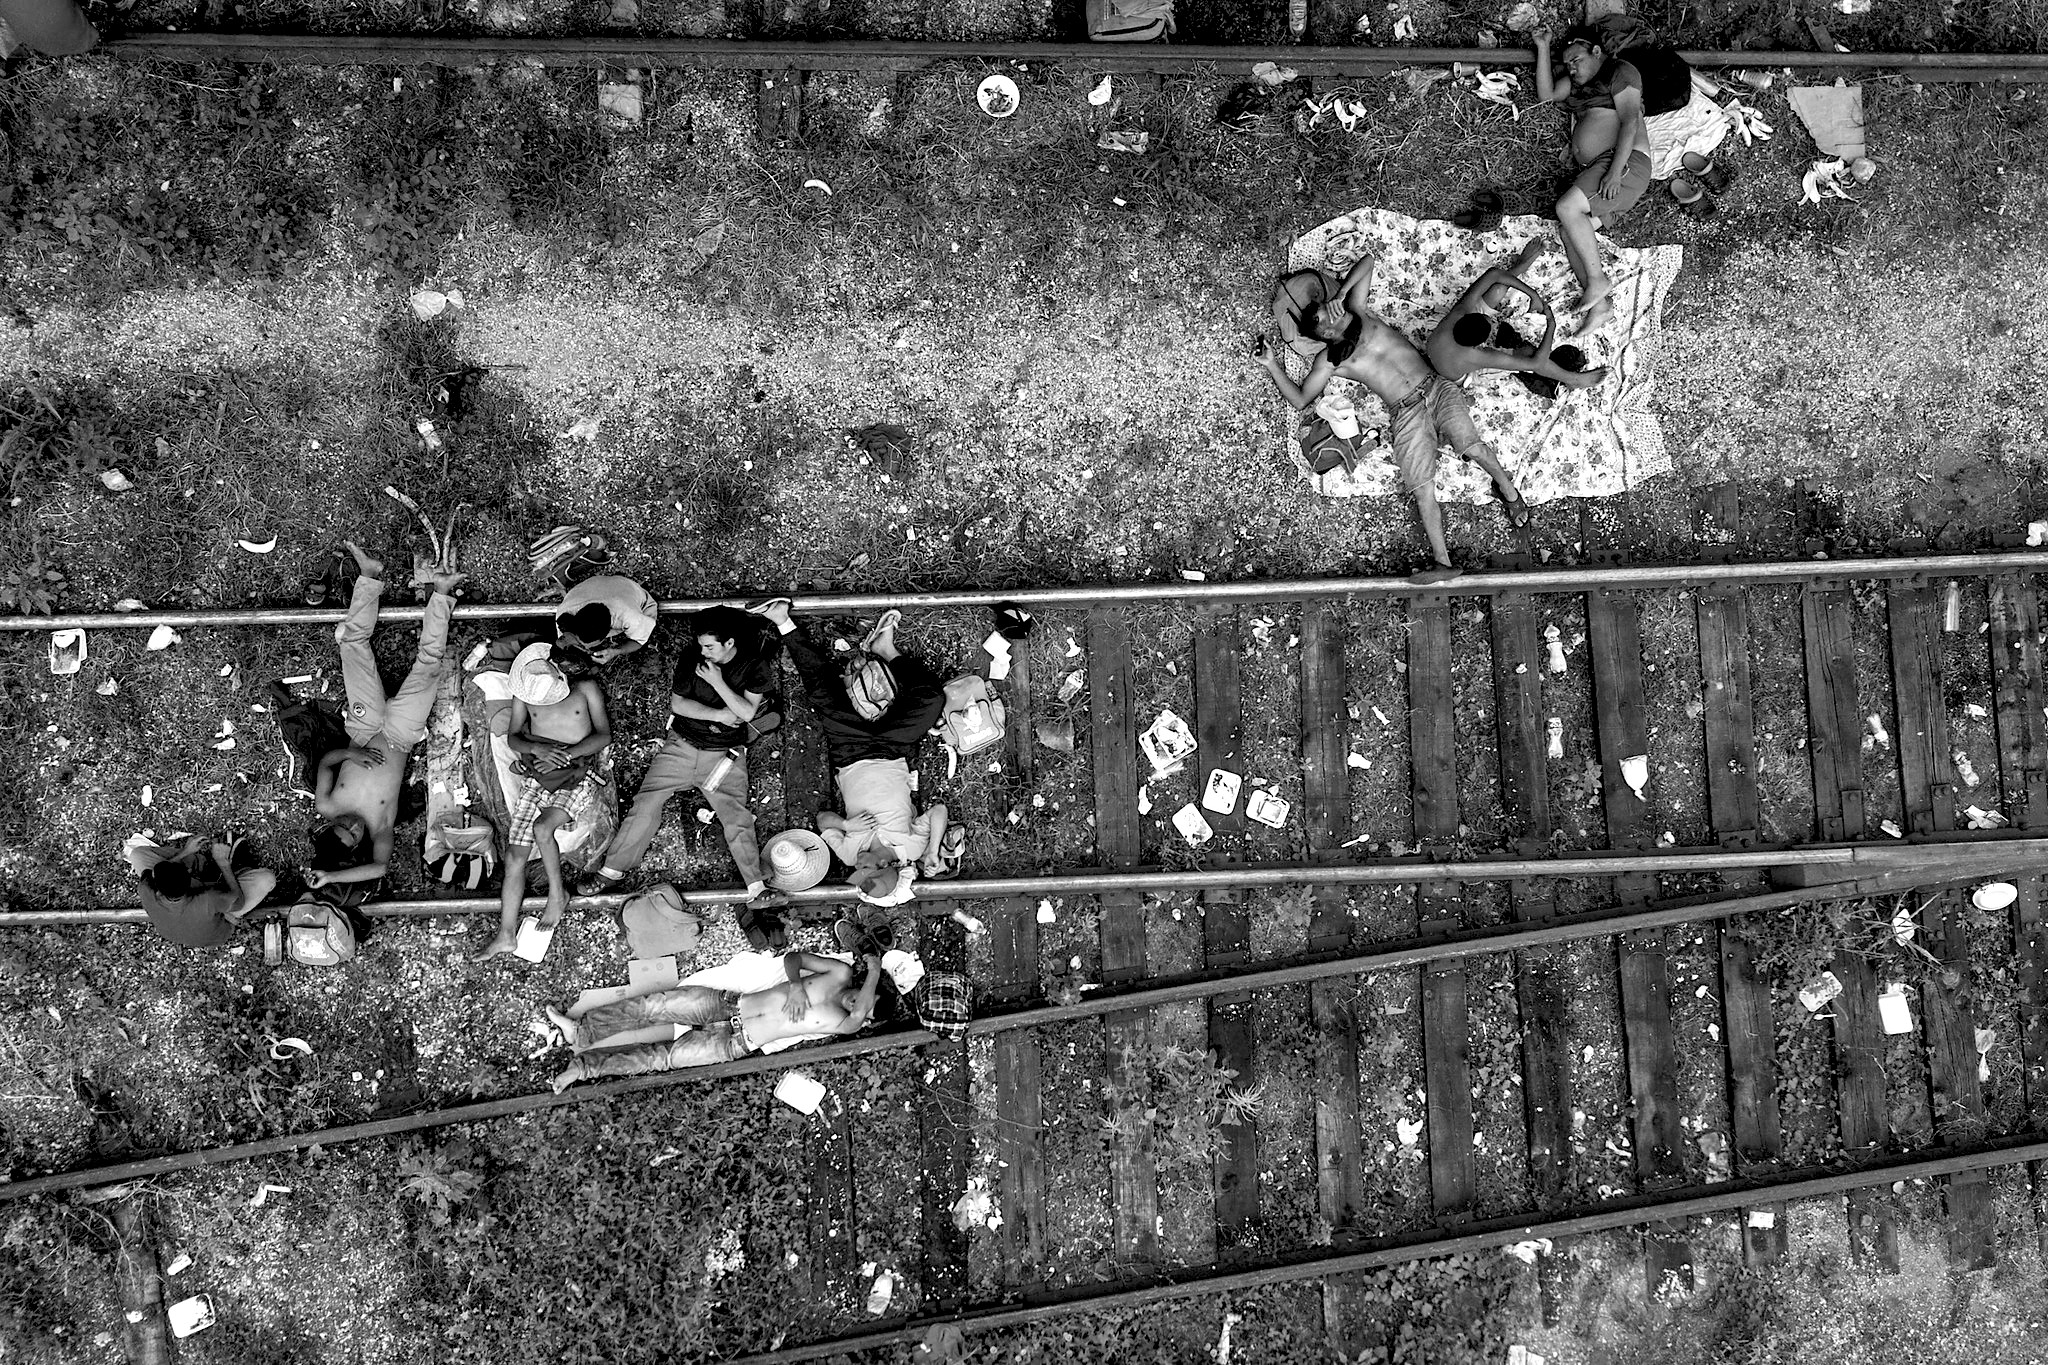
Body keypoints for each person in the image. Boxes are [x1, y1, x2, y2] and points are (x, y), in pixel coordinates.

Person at [1257, 250, 1528, 583]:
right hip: (1405, 411)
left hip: (1437, 386)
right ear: (1323, 333)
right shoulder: (1330, 359)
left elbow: (1369, 261)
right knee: (1422, 485)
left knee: (1471, 446)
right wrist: (1271, 364)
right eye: (1326, 314)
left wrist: (1342, 292)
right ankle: (1443, 563)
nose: (1333, 309)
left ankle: (1509, 491)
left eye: (1331, 304)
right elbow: (1300, 399)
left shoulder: (1357, 310)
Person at [574, 606, 789, 945]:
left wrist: (717, 681)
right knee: (646, 804)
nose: (703, 652)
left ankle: (756, 887)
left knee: (736, 816)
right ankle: (611, 871)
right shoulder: (693, 658)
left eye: (709, 646)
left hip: (725, 754)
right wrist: (719, 712)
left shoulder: (754, 666)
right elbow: (680, 705)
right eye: (701, 645)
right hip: (682, 745)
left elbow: (747, 712)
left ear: (729, 642)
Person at [747, 601, 951, 903]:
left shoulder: (849, 853)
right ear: (884, 865)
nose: (856, 867)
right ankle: (886, 652)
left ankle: (783, 623)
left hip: (850, 752)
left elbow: (822, 820)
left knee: (823, 694)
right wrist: (933, 851)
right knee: (932, 699)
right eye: (864, 869)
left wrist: (844, 825)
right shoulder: (911, 849)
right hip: (893, 749)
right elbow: (938, 812)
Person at [308, 539, 466, 902]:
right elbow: (379, 868)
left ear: (329, 825)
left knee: (352, 645)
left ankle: (369, 575)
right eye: (353, 833)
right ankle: (441, 593)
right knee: (430, 665)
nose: (352, 824)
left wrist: (351, 756)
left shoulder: (327, 806)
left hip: (364, 730)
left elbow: (327, 762)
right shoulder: (380, 831)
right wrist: (331, 877)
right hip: (400, 735)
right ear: (357, 846)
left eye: (342, 826)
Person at [1530, 26, 1691, 334]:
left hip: (1625, 164)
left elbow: (1630, 120)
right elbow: (1546, 94)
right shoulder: (1579, 86)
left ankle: (1598, 281)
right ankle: (1601, 307)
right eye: (1568, 65)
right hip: (1603, 169)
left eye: (1576, 59)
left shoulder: (1620, 72)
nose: (1572, 68)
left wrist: (1615, 172)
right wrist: (1542, 47)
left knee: (1567, 208)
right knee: (1570, 231)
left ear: (1596, 52)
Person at [545, 950, 884, 1091]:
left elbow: (859, 1012)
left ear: (864, 1022)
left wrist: (876, 968)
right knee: (653, 1006)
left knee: (662, 1058)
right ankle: (581, 1030)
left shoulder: (846, 1024)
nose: (860, 1004)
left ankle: (583, 1068)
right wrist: (795, 986)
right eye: (868, 997)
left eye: (866, 1011)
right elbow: (794, 958)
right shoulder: (840, 973)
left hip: (735, 1042)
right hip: (726, 1005)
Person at [474, 644, 613, 961]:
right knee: (513, 858)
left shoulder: (584, 689)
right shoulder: (525, 691)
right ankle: (506, 934)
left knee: (542, 828)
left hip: (575, 772)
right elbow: (514, 738)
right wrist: (538, 752)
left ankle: (557, 893)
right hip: (538, 774)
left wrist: (564, 755)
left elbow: (603, 735)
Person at [1426, 241, 1612, 403]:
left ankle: (1521, 266)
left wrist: (1534, 295)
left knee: (1498, 289)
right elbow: (1536, 363)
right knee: (1528, 352)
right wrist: (1551, 325)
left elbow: (1494, 274)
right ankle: (1573, 379)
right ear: (1481, 345)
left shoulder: (1458, 314)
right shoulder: (1477, 356)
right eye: (1492, 328)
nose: (1494, 322)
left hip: (1448, 346)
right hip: (1463, 375)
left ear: (1468, 316)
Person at [131, 835, 277, 949]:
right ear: (190, 879)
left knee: (137, 855)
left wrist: (185, 852)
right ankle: (232, 868)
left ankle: (198, 861)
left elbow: (158, 871)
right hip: (218, 922)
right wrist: (223, 863)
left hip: (183, 926)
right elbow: (238, 902)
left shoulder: (145, 889)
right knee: (266, 879)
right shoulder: (208, 898)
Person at [551, 575, 658, 674]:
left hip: (629, 588)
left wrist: (618, 651)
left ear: (604, 637)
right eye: (563, 639)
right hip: (597, 585)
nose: (562, 638)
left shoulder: (630, 616)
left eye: (585, 647)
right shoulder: (562, 617)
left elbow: (639, 642)